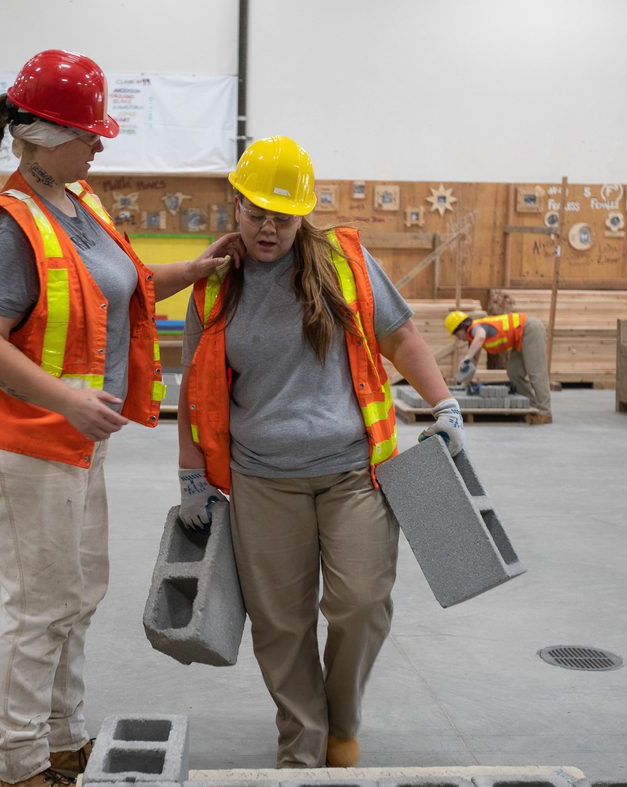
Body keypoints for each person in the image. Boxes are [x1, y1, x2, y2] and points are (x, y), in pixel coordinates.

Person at [0, 50, 244, 787]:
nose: (101, 144)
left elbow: (127, 283)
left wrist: (196, 271)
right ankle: (17, 761)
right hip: (28, 445)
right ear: (46, 137)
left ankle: (62, 736)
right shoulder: (14, 225)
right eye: (91, 133)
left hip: (75, 443)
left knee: (78, 595)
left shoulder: (78, 202)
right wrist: (65, 398)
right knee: (37, 604)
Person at [175, 136, 463, 769]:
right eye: (256, 214)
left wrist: (444, 405)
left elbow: (402, 336)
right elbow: (196, 387)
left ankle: (343, 718)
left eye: (282, 216)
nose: (268, 228)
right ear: (238, 206)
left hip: (352, 472)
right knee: (281, 624)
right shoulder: (214, 286)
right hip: (261, 479)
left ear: (304, 212)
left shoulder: (344, 264)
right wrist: (190, 469)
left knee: (362, 602)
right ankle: (301, 744)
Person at [444, 310, 553, 423]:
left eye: (457, 335)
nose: (459, 338)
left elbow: (480, 337)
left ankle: (545, 413)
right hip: (519, 337)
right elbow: (474, 362)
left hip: (529, 329)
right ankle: (532, 405)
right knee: (514, 372)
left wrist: (467, 357)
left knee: (536, 372)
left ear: (462, 327)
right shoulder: (473, 338)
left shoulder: (475, 328)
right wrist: (465, 384)